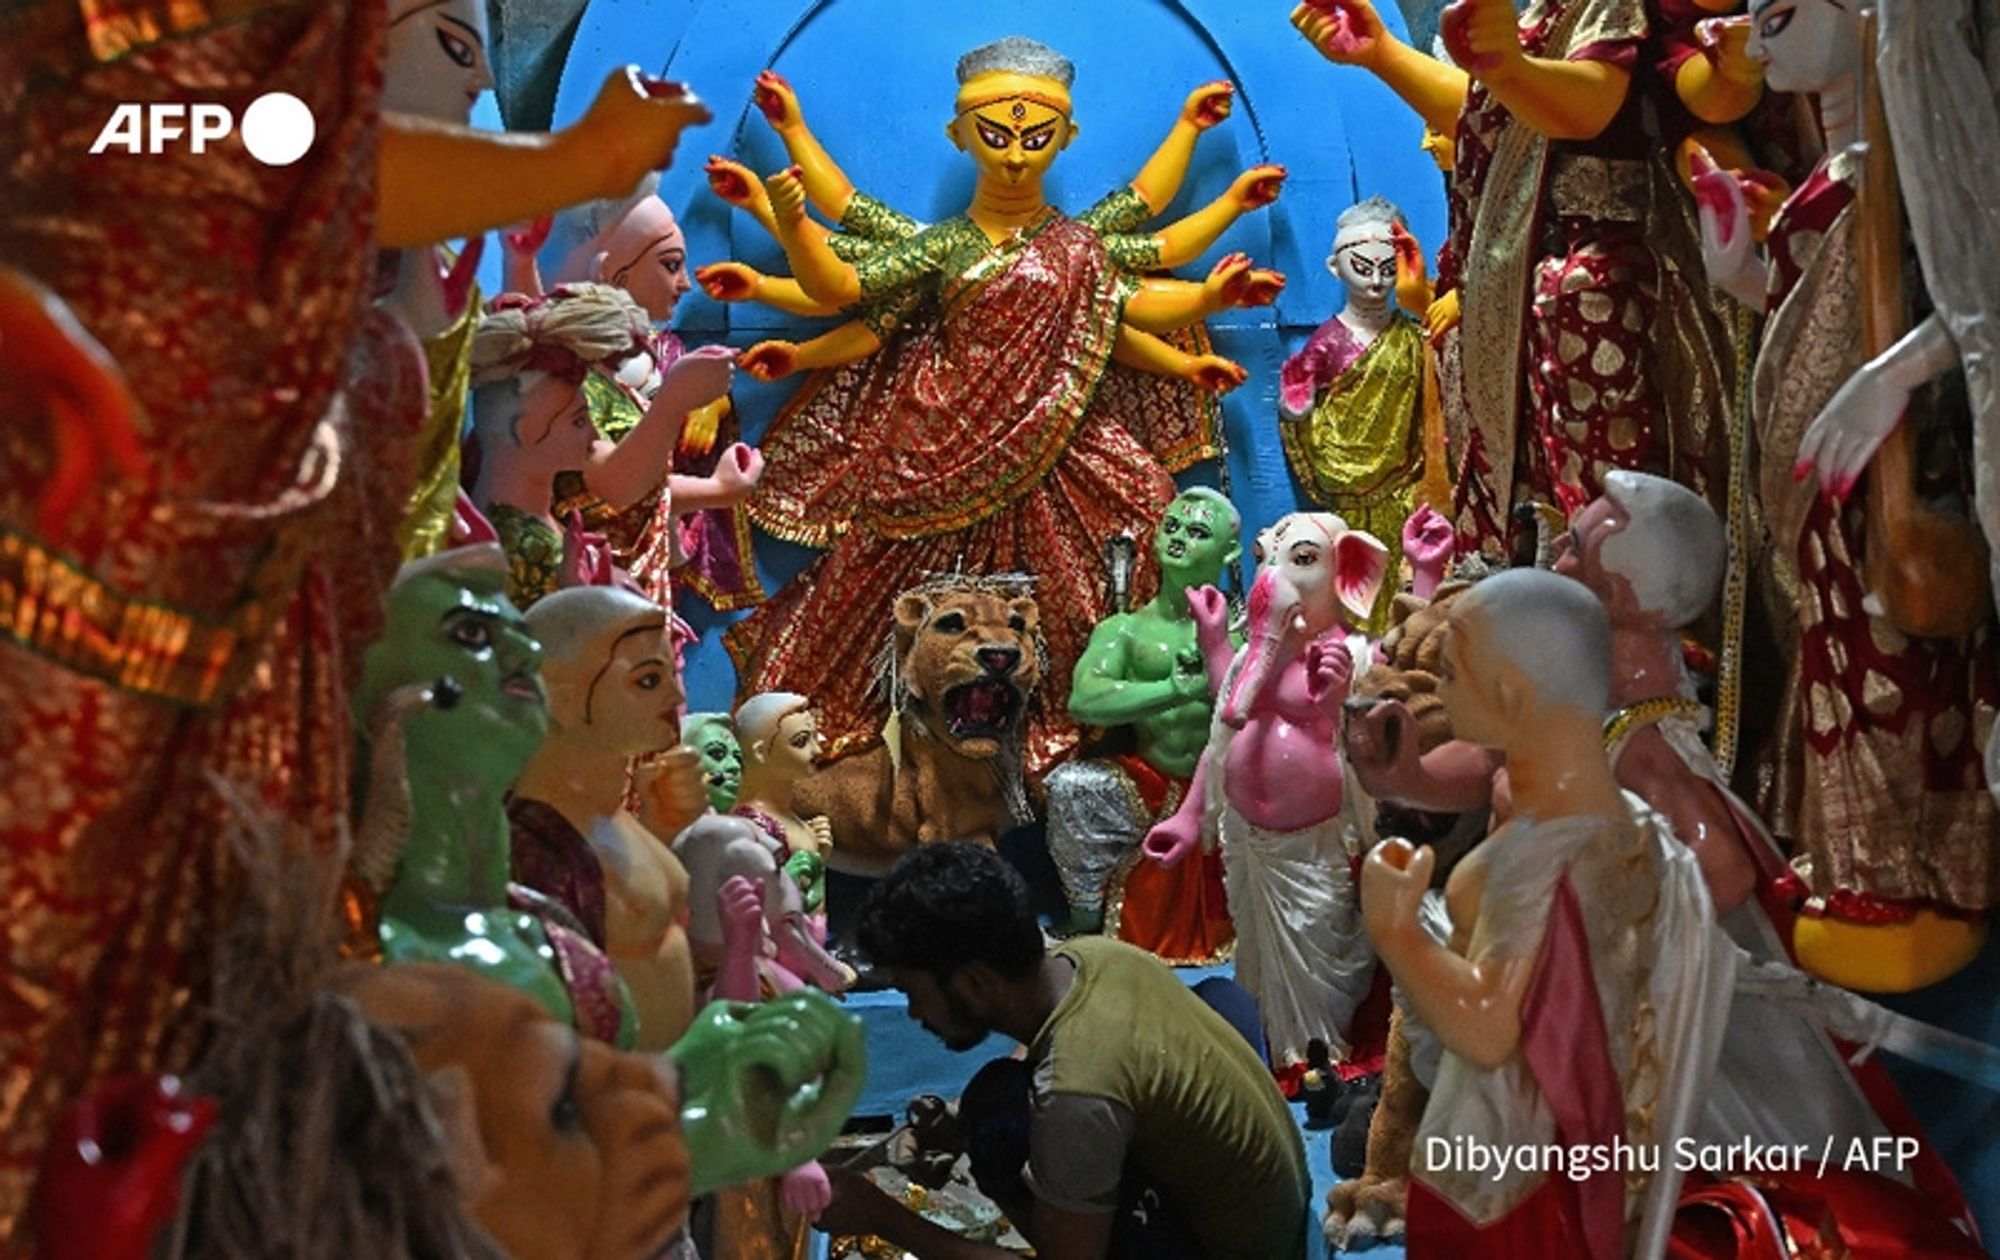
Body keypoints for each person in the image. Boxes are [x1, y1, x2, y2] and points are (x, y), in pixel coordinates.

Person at [718, 37, 1284, 773]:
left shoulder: (1080, 248)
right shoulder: (945, 246)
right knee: (875, 594)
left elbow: (1128, 300)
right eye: (995, 136)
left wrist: (1202, 318)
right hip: (933, 446)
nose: (1016, 156)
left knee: (1148, 503)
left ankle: (1097, 714)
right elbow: (843, 286)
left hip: (1061, 438)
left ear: (1065, 138)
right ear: (960, 136)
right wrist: (790, 215)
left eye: (1036, 138)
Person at [1360, 569, 1731, 1255]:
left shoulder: (1530, 863)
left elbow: (1487, 1029)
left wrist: (1397, 930)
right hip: (1597, 1146)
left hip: (1513, 1179)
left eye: (1450, 672)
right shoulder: (1635, 830)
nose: (1437, 689)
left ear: (1509, 693)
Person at [819, 842, 1310, 1260]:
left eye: (911, 991)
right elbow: (1057, 1053)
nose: (911, 1012)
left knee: (998, 1116)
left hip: (1237, 1251)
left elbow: (1071, 1085)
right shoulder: (1096, 956)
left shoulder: (1076, 1092)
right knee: (993, 1099)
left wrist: (884, 1217)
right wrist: (955, 1119)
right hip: (1266, 1212)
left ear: (974, 983)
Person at [1045, 487, 1240, 959]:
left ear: (1228, 552)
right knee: (1071, 785)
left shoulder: (1248, 626)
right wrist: (1171, 691)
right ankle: (1087, 921)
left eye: (1197, 533)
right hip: (1152, 782)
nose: (1179, 539)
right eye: (1172, 527)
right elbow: (1084, 698)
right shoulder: (1125, 629)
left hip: (1231, 788)